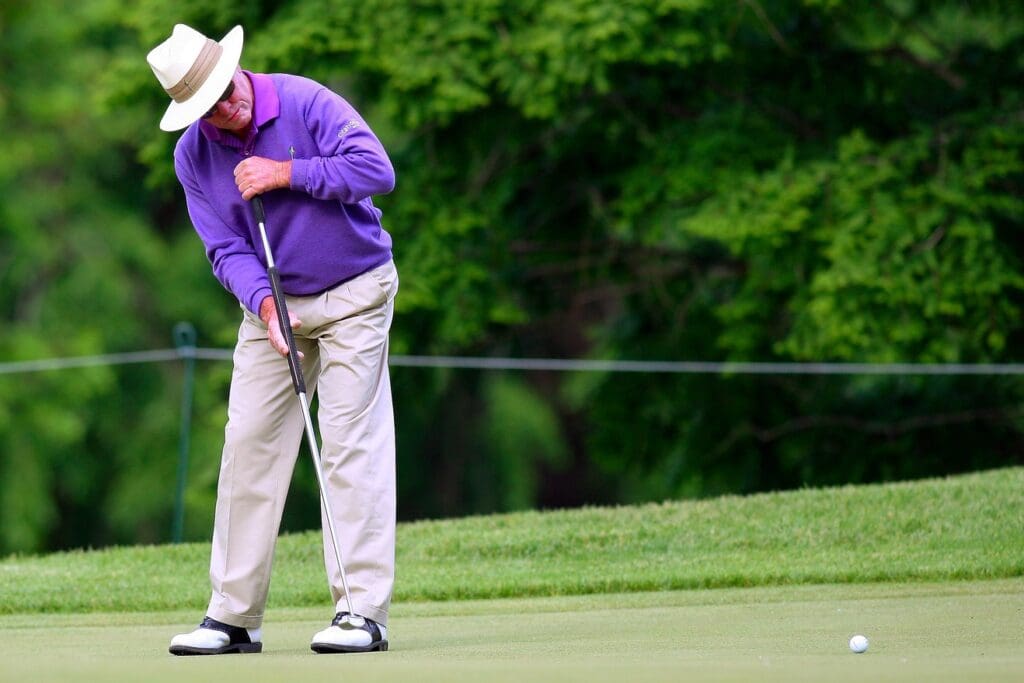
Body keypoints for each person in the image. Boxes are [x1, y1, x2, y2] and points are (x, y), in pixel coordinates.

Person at [146, 24, 398, 655]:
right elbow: (225, 248)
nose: (227, 110)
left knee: (347, 445)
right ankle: (233, 617)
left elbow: (376, 170)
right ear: (191, 116)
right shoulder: (193, 157)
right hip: (273, 312)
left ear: (237, 71)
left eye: (227, 92)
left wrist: (286, 173)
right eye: (208, 109)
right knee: (248, 446)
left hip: (355, 294)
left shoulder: (305, 100)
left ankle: (361, 613)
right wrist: (264, 305)